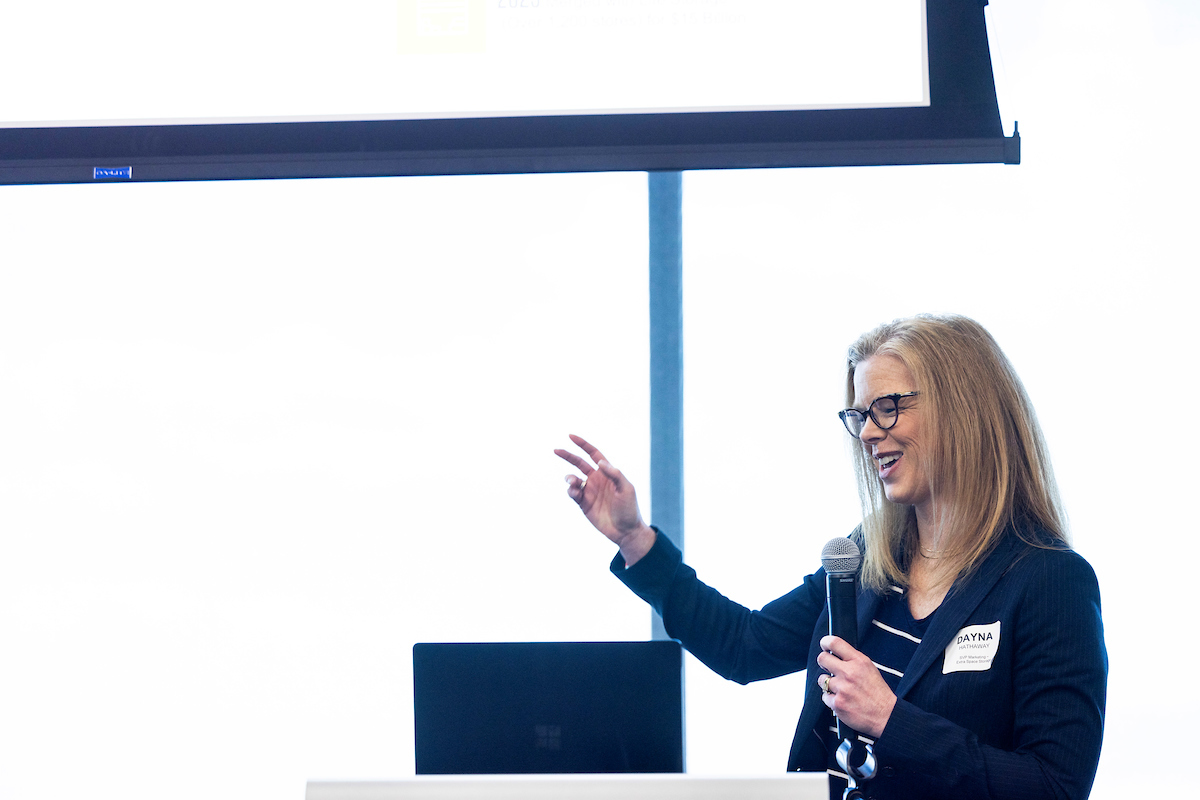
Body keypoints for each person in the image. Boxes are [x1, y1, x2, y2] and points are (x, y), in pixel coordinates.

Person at [554, 314, 1107, 800]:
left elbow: (1053, 786)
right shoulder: (866, 560)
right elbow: (745, 646)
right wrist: (634, 540)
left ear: (963, 411)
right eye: (860, 414)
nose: (868, 432)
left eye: (888, 408)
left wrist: (892, 721)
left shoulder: (1048, 582)